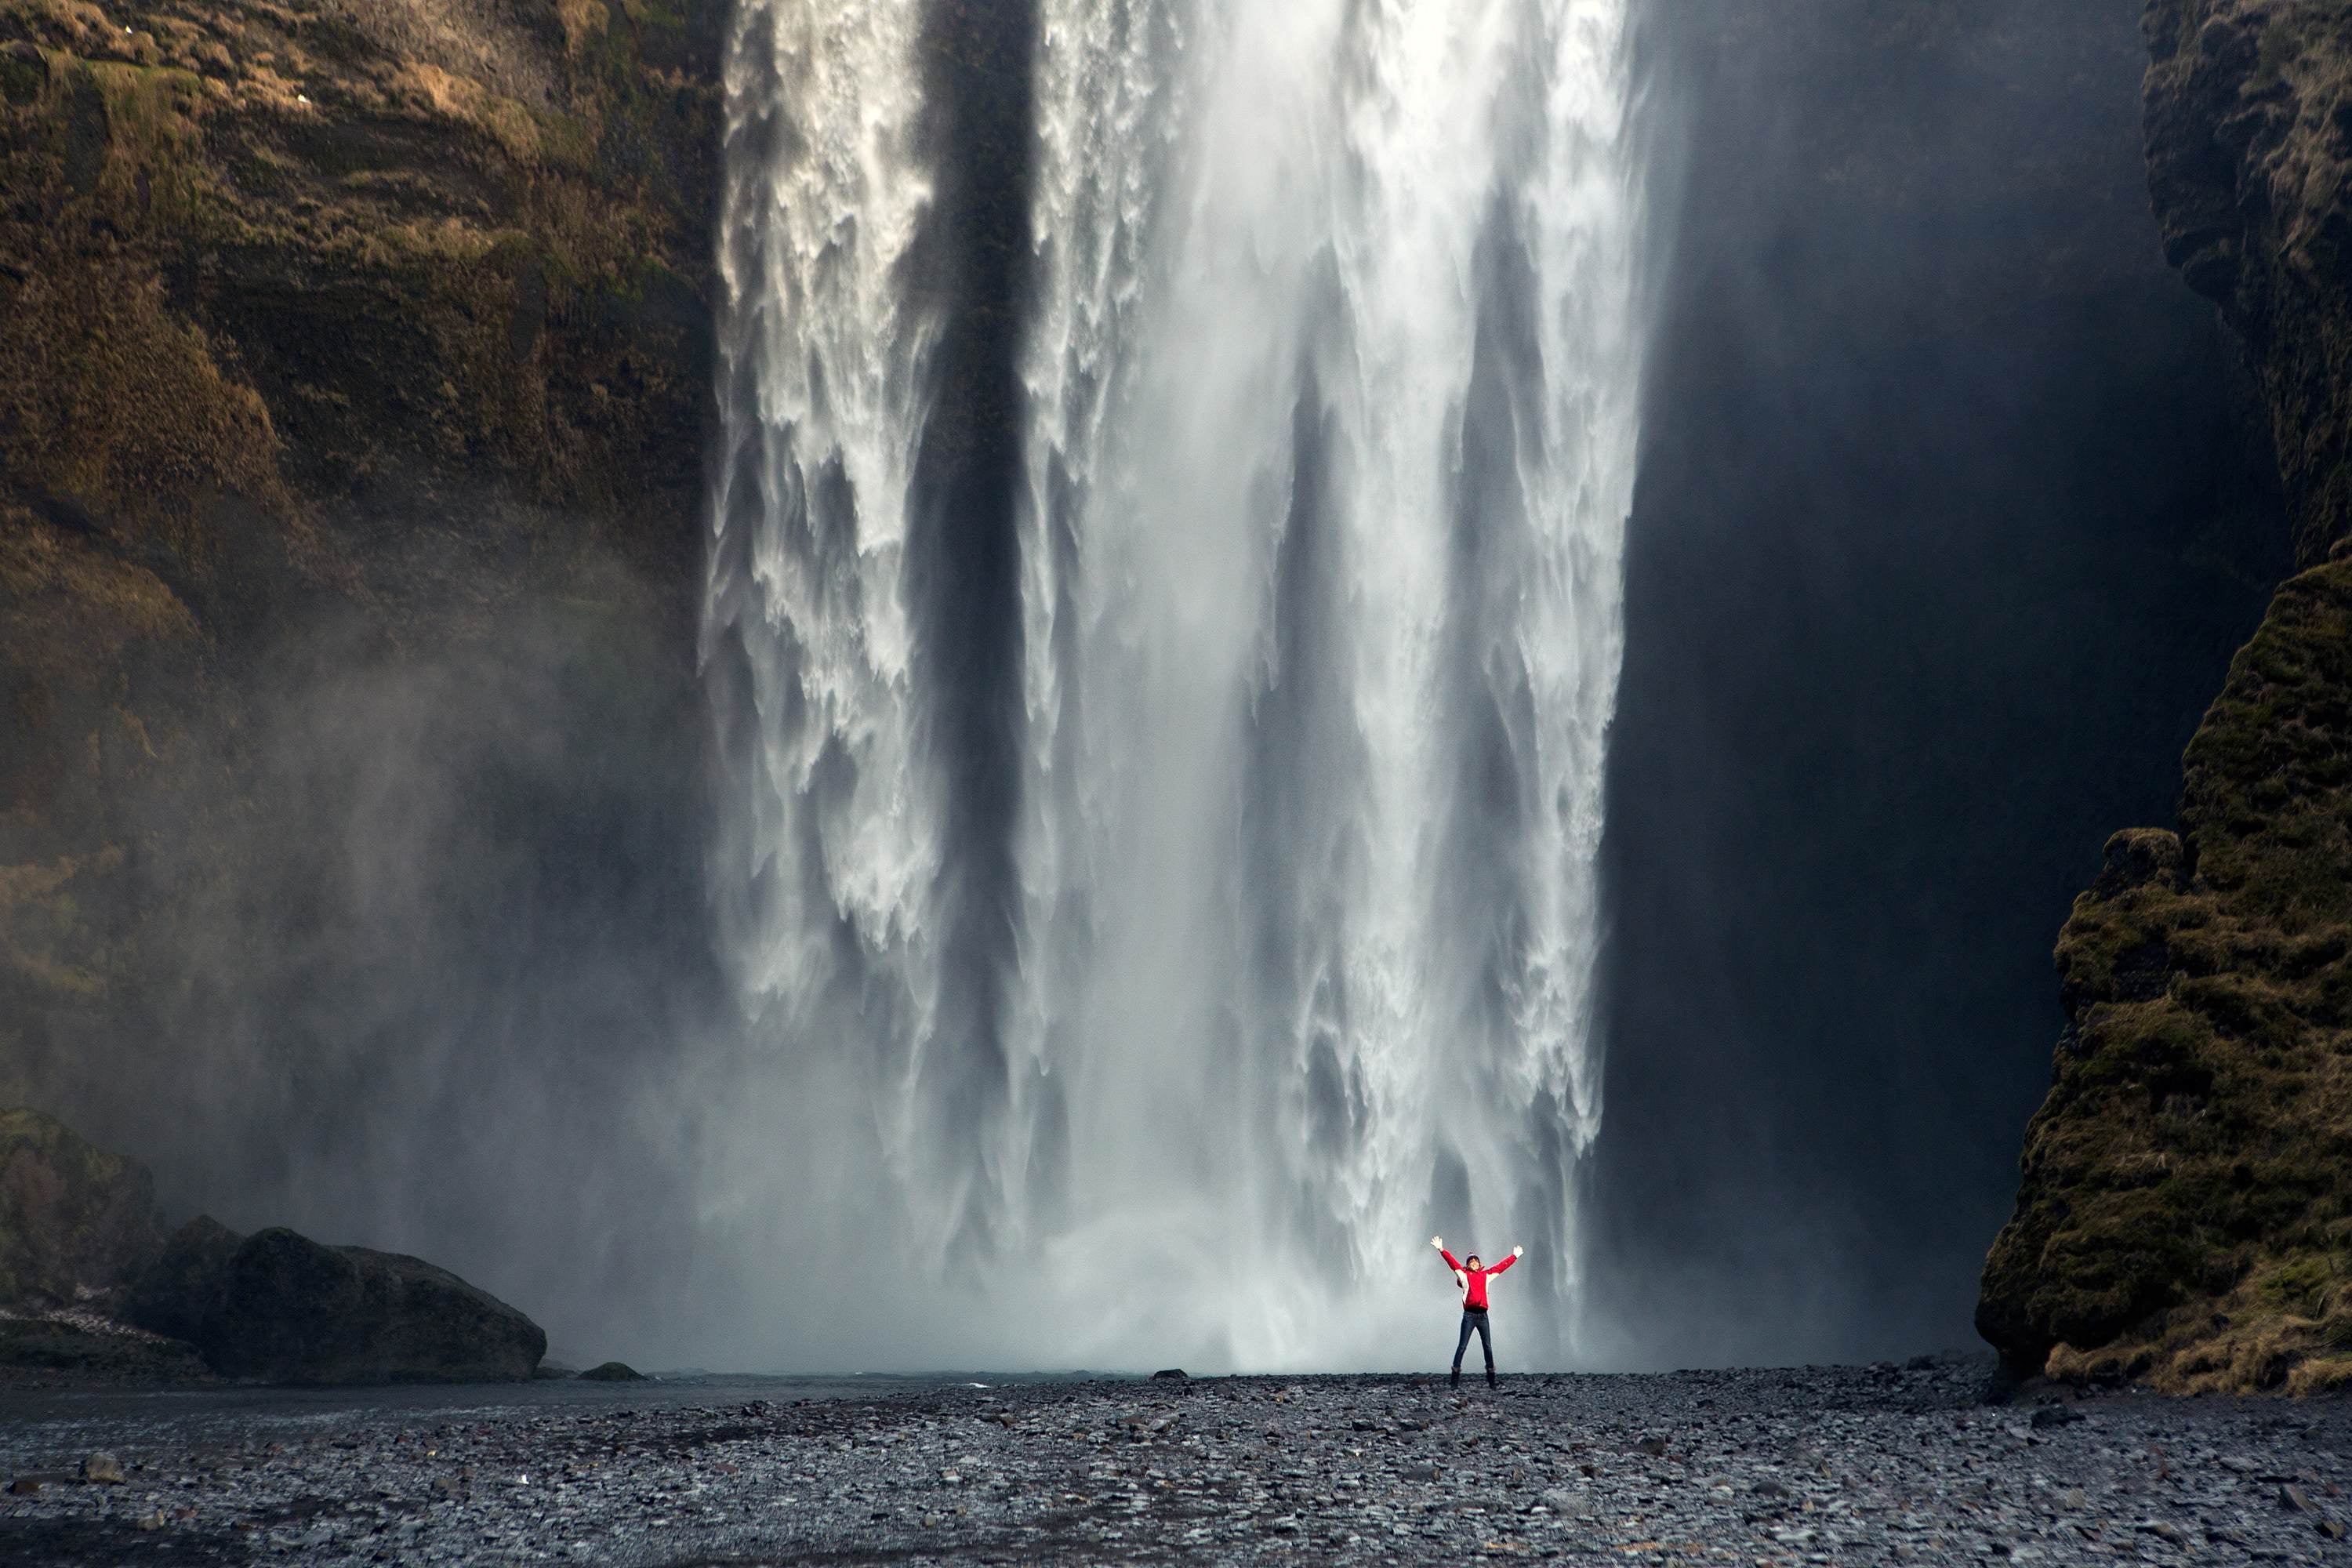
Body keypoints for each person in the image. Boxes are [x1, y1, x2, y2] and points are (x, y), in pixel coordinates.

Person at [1432, 1235, 1523, 1388]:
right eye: (1471, 1261)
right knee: (1462, 1345)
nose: (1474, 1262)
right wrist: (1441, 1249)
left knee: (1487, 1346)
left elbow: (1501, 1267)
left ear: (1479, 1264)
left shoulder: (1486, 1275)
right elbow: (1452, 1263)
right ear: (1467, 1265)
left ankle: (1492, 1380)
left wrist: (1514, 1256)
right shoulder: (1464, 1275)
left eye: (1476, 1261)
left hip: (1483, 1316)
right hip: (1469, 1315)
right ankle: (1454, 1381)